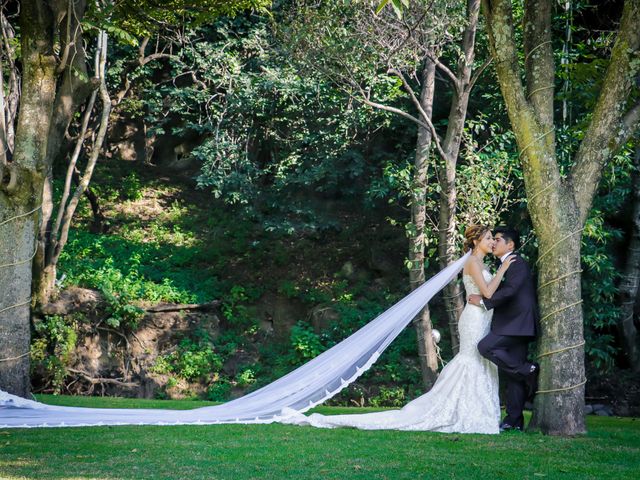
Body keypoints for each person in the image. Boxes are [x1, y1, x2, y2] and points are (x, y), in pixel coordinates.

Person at [280, 225, 514, 433]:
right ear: (475, 242)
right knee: (470, 360)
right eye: (488, 238)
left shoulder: (481, 262)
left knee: (480, 361)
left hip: (483, 317)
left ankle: (476, 412)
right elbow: (489, 292)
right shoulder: (472, 262)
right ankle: (462, 413)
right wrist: (503, 271)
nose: (492, 241)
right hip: (473, 319)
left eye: (493, 239)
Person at [468, 227, 539, 432]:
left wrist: (483, 302)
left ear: (510, 245)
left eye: (497, 239)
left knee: (485, 347)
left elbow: (510, 290)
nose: (493, 243)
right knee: (512, 374)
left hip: (517, 323)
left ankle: (527, 371)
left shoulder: (516, 262)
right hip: (513, 323)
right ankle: (514, 421)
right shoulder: (504, 264)